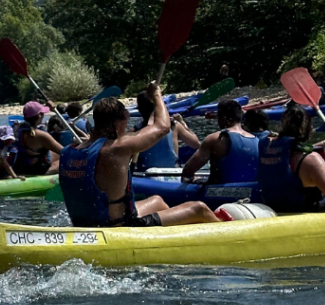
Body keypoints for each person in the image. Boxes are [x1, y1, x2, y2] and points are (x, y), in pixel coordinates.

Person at [58, 86, 219, 227]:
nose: (127, 128)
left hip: (85, 224)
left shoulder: (68, 151)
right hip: (120, 227)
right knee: (199, 208)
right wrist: (156, 95)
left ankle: (173, 238)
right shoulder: (117, 147)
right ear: (118, 124)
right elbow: (163, 127)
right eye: (126, 122)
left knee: (158, 201)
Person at [258, 104, 325, 213]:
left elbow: (296, 149)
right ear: (309, 129)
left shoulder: (269, 147)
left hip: (274, 209)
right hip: (306, 212)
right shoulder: (311, 160)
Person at [180, 98, 258, 185]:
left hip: (219, 193)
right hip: (250, 191)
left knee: (186, 178)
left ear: (223, 118)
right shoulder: (256, 140)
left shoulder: (215, 139)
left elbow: (188, 170)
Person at [134, 88, 201, 172]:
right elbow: (196, 144)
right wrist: (183, 124)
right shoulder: (174, 125)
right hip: (170, 173)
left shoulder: (135, 131)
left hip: (146, 175)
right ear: (160, 108)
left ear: (140, 110)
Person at [14, 102, 63, 175]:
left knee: (54, 154)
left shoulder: (17, 129)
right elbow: (65, 152)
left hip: (21, 165)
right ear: (39, 116)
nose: (44, 115)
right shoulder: (40, 135)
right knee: (65, 160)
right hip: (37, 169)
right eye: (42, 113)